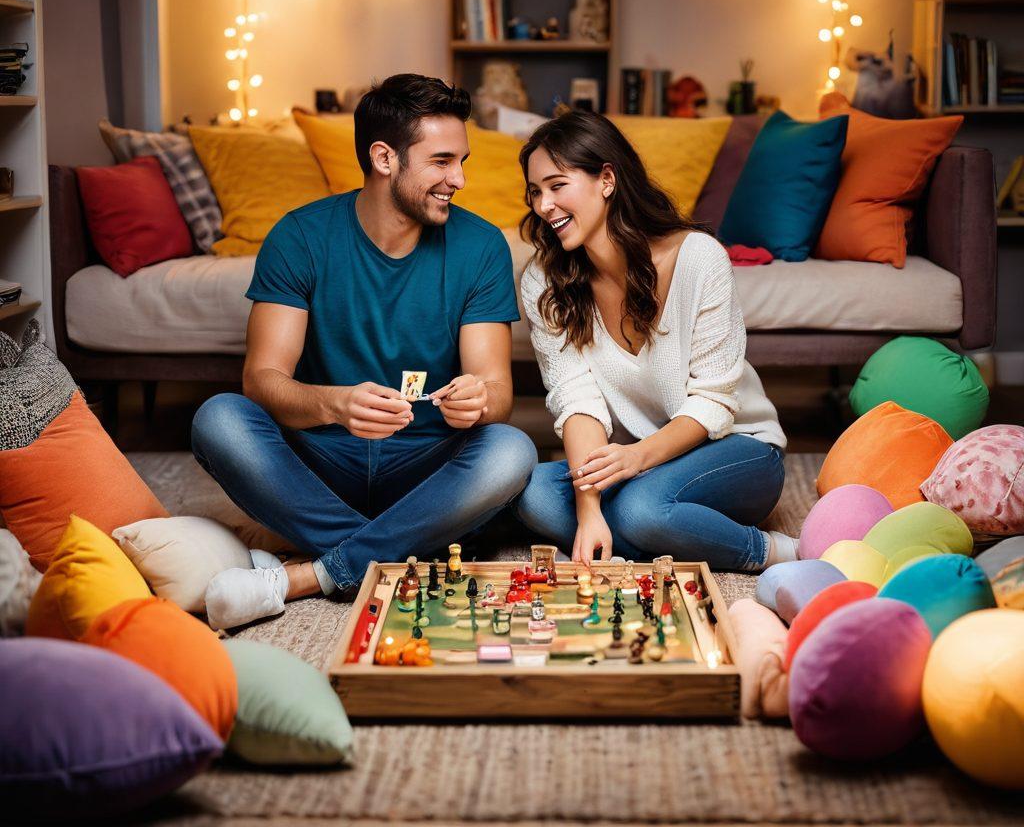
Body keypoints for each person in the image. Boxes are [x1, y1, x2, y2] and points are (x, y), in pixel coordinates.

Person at [191, 74, 537, 629]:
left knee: (512, 450)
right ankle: (407, 543)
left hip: (428, 464)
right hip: (322, 461)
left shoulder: (480, 246)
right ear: (384, 158)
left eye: (462, 161)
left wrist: (478, 399)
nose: (460, 179)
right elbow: (262, 378)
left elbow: (496, 393)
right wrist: (334, 405)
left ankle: (314, 571)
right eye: (443, 162)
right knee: (219, 420)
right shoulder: (300, 236)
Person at [514, 111, 795, 572]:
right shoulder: (546, 280)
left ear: (606, 179)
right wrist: (587, 512)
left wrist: (634, 460)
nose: (544, 205)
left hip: (738, 448)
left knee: (638, 510)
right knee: (534, 496)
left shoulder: (698, 259)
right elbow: (575, 398)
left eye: (556, 186)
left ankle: (766, 550)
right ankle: (669, 532)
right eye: (535, 192)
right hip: (637, 464)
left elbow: (713, 402)